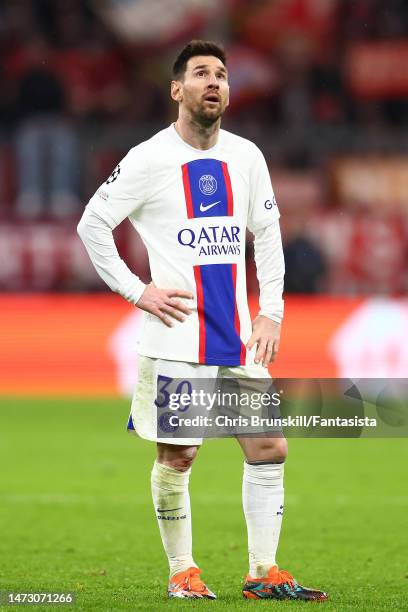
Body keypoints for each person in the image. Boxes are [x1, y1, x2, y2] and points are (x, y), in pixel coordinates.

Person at [77, 40, 327, 602]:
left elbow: (266, 236)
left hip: (237, 337)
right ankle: (183, 573)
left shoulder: (247, 156)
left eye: (221, 74)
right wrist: (137, 290)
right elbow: (92, 225)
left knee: (269, 447)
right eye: (200, 74)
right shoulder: (147, 159)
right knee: (178, 455)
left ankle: (264, 573)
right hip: (175, 339)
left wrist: (271, 313)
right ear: (177, 89)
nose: (214, 82)